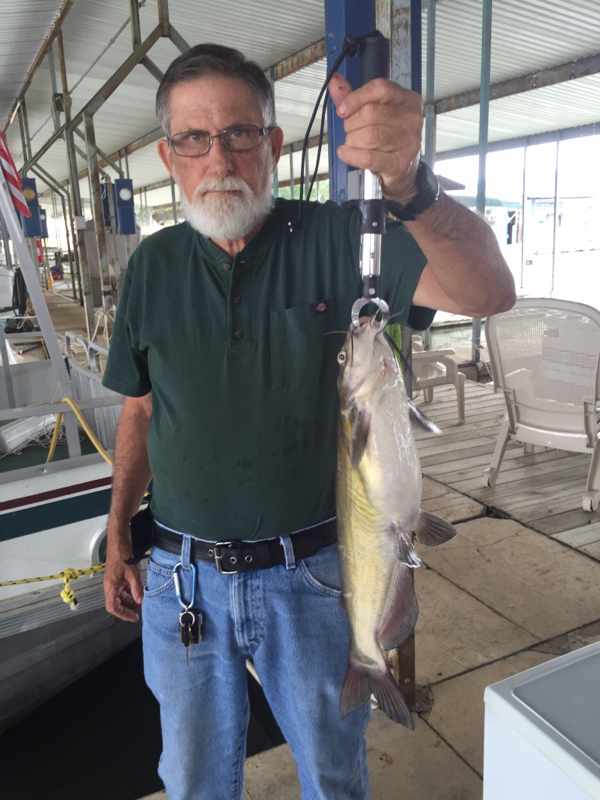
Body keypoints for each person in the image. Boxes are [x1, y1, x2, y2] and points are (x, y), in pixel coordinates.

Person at [102, 43, 515, 800]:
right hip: (180, 580)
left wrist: (410, 188)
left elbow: (488, 291)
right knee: (193, 779)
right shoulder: (151, 268)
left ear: (274, 143)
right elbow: (140, 405)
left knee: (332, 773)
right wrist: (120, 529)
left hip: (318, 578)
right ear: (168, 155)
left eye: (240, 132)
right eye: (194, 137)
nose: (217, 155)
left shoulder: (337, 237)